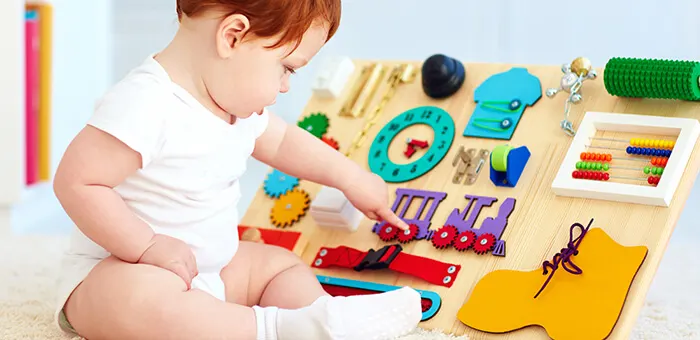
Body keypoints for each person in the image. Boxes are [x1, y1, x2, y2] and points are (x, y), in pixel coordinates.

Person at [51, 1, 422, 339]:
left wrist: (351, 177)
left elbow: (283, 143)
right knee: (137, 301)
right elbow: (78, 181)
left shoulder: (236, 107)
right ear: (232, 36)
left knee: (279, 265)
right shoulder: (147, 101)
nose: (286, 85)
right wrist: (145, 246)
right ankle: (271, 330)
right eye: (286, 68)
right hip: (120, 270)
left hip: (211, 269)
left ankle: (319, 317)